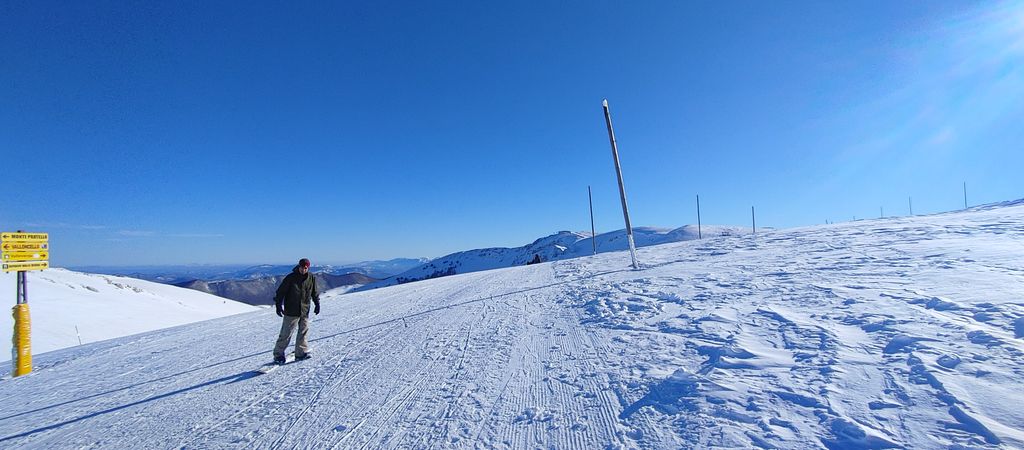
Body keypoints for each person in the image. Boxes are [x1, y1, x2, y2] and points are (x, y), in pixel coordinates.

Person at [272, 258, 320, 364]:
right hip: (291, 310)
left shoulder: (311, 278)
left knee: (303, 332)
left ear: (308, 268)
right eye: (302, 267)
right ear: (299, 266)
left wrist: (317, 304)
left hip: (304, 310)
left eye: (305, 268)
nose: (303, 269)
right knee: (286, 333)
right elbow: (281, 292)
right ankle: (278, 355)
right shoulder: (291, 278)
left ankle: (300, 353)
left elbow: (314, 292)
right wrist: (278, 305)